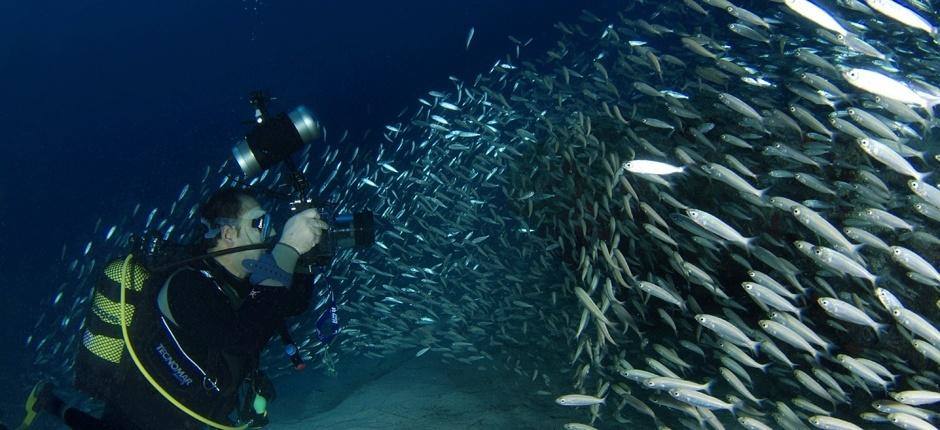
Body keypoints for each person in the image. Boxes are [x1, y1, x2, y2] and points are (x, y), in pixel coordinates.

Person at [19, 188, 328, 429]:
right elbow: (242, 336)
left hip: (187, 419)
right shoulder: (187, 285)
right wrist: (287, 249)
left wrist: (304, 262)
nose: (270, 232)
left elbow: (291, 304)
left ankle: (49, 401)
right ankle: (49, 402)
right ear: (229, 233)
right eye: (259, 223)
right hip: (143, 415)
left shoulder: (242, 284)